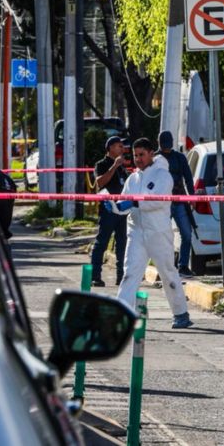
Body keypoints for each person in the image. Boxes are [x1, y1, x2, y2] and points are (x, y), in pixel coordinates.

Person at [106, 138, 193, 329]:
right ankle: (121, 315)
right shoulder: (133, 178)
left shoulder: (163, 176)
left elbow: (157, 202)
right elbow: (124, 204)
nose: (138, 159)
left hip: (158, 233)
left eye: (141, 155)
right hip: (136, 233)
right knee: (130, 274)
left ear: (151, 153)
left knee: (168, 273)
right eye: (135, 155)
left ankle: (181, 313)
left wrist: (135, 202)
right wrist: (114, 206)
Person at [155, 131, 197, 277]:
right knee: (162, 236)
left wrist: (192, 197)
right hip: (162, 203)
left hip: (179, 201)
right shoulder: (154, 159)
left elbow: (188, 178)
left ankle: (183, 265)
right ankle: (163, 266)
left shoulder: (179, 158)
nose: (166, 148)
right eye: (164, 145)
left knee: (186, 233)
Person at [89, 136, 129, 287]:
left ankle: (121, 276)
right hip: (108, 210)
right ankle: (95, 276)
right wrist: (114, 166)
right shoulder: (102, 164)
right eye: (119, 146)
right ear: (111, 148)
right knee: (102, 242)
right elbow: (99, 182)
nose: (122, 149)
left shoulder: (122, 167)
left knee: (122, 243)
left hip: (122, 210)